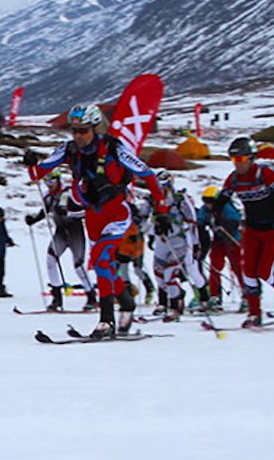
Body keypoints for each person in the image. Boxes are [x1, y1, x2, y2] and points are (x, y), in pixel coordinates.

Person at [24, 102, 168, 339]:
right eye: (74, 130)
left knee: (101, 260)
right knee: (106, 267)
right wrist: (31, 161)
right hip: (92, 216)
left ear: (95, 128)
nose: (78, 136)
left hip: (118, 213)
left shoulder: (113, 148)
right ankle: (127, 302)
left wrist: (161, 211)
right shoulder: (68, 150)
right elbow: (37, 174)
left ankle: (106, 321)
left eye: (84, 131)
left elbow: (148, 175)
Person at [209, 136, 274, 328]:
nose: (237, 165)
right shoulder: (234, 179)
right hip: (251, 229)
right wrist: (214, 214)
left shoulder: (264, 174)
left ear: (251, 158)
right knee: (248, 272)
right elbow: (221, 200)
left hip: (271, 229)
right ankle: (254, 314)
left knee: (264, 272)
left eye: (240, 160)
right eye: (234, 161)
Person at [25, 173, 96, 310]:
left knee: (78, 266)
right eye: (46, 181)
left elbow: (85, 211)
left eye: (52, 181)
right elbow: (45, 211)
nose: (49, 184)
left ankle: (91, 296)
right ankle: (56, 297)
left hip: (75, 231)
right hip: (60, 232)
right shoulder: (48, 196)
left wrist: (69, 213)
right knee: (51, 261)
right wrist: (33, 220)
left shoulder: (70, 193)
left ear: (58, 180)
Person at [148, 172, 201, 320]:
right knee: (158, 275)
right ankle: (172, 298)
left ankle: (174, 306)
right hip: (161, 241)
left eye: (164, 187)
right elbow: (144, 216)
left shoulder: (180, 200)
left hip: (179, 241)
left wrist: (195, 243)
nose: (161, 191)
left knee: (169, 274)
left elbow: (192, 220)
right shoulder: (152, 199)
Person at [196, 185, 243, 312]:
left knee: (238, 268)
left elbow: (235, 219)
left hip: (232, 241)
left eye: (210, 201)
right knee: (215, 268)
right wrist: (201, 225)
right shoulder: (205, 209)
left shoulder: (225, 207)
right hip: (218, 242)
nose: (207, 204)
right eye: (205, 201)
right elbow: (200, 218)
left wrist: (222, 223)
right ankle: (215, 296)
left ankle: (247, 295)